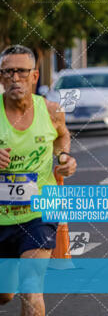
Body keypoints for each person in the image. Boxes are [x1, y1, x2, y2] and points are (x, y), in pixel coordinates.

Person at [0, 45, 77, 315]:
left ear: (35, 76)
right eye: (7, 72)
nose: (14, 79)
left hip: (39, 212)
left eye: (21, 72)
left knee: (31, 284)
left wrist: (65, 157)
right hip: (1, 216)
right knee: (4, 294)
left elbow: (62, 136)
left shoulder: (52, 111)